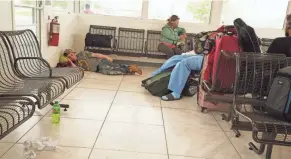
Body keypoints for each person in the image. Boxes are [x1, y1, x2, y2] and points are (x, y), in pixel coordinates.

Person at [57, 49, 142, 75]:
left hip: (100, 62)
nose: (71, 57)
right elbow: (75, 69)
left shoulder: (82, 54)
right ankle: (131, 68)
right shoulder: (75, 65)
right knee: (115, 67)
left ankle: (131, 69)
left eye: (71, 55)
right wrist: (70, 62)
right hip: (97, 69)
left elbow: (96, 54)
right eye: (69, 57)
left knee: (110, 70)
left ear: (74, 53)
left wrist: (106, 56)